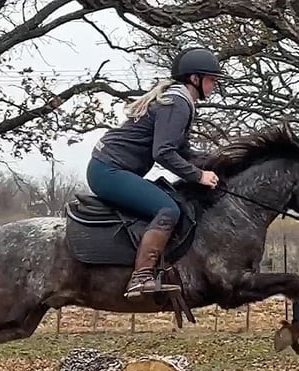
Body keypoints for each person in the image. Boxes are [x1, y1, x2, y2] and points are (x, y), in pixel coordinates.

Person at [86, 47, 224, 299]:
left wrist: (216, 163)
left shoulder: (180, 101)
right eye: (211, 79)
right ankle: (140, 278)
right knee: (168, 209)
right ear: (195, 79)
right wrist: (198, 176)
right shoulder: (178, 104)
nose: (214, 85)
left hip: (111, 168)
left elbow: (182, 151)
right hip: (108, 170)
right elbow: (164, 153)